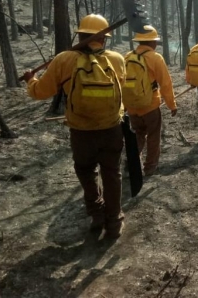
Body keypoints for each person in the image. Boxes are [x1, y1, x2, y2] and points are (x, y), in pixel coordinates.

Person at [23, 14, 126, 238]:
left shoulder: (64, 60)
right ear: (105, 39)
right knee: (112, 173)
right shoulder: (117, 59)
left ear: (80, 34)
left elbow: (40, 92)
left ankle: (96, 212)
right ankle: (114, 222)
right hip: (111, 128)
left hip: (81, 131)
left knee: (85, 170)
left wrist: (31, 79)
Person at [124, 25, 177, 176]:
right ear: (152, 42)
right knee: (153, 136)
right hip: (150, 106)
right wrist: (172, 105)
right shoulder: (155, 58)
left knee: (138, 134)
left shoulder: (127, 57)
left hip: (132, 106)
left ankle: (130, 164)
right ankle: (150, 167)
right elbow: (165, 84)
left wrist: (124, 106)